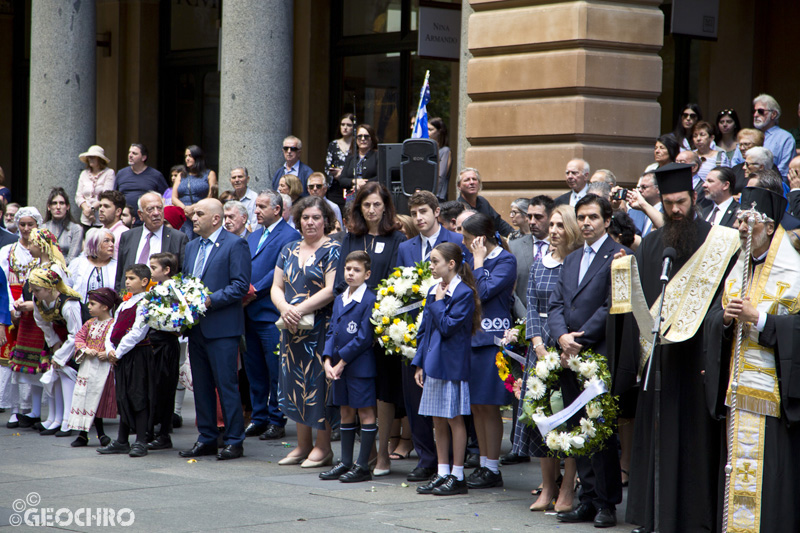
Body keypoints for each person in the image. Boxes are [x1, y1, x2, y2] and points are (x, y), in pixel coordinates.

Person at [610, 162, 736, 533]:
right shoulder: (651, 245)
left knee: (696, 445)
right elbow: (641, 307)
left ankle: (696, 520)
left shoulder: (721, 242)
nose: (675, 210)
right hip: (660, 363)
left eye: (681, 201)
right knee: (658, 440)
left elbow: (722, 305)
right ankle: (654, 517)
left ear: (694, 198)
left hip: (699, 363)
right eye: (668, 204)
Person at [705, 186, 800, 533]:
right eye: (740, 221)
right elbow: (714, 320)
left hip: (773, 398)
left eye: (751, 222)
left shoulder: (795, 270)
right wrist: (727, 318)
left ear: (771, 227)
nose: (743, 228)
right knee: (735, 474)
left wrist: (759, 319)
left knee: (771, 481)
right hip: (736, 393)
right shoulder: (738, 265)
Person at [549, 194, 626, 528]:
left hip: (598, 355)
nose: (586, 223)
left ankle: (607, 503)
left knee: (601, 432)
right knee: (577, 428)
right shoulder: (572, 258)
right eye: (581, 217)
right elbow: (554, 304)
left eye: (593, 217)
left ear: (607, 220)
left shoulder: (619, 256)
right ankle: (588, 499)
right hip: (568, 356)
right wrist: (561, 337)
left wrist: (578, 339)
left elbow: (611, 305)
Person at [514, 204, 582, 511]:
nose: (553, 230)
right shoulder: (541, 262)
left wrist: (560, 347)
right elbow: (530, 304)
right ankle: (547, 487)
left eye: (559, 225)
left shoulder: (577, 264)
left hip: (567, 351)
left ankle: (568, 487)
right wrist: (538, 344)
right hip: (539, 351)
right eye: (550, 225)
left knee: (566, 420)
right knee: (540, 418)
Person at [396, 191, 467, 482]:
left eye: (423, 211)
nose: (418, 218)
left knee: (450, 410)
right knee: (421, 402)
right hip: (419, 332)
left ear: (436, 212)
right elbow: (399, 285)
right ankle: (429, 460)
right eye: (413, 214)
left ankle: (456, 467)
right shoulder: (406, 247)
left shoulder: (456, 241)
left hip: (449, 335)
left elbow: (466, 283)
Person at [335, 183, 405, 474]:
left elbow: (396, 282)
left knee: (383, 391)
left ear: (386, 207)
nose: (372, 210)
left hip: (381, 324)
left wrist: (376, 315)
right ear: (358, 208)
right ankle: (363, 456)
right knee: (357, 393)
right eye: (366, 205)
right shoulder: (350, 237)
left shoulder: (397, 238)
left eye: (377, 205)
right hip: (352, 323)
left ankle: (385, 453)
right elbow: (342, 279)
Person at [178, 199, 251, 461]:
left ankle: (234, 440)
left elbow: (241, 285)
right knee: (202, 387)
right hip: (196, 328)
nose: (193, 217)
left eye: (199, 214)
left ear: (216, 219)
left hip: (222, 329)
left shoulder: (235, 244)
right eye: (193, 213)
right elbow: (186, 282)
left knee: (226, 385)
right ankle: (207, 437)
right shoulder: (192, 246)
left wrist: (211, 299)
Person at [270, 196, 340, 467]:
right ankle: (302, 446)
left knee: (317, 385)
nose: (310, 222)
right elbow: (276, 286)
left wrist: (298, 309)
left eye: (316, 217)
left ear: (325, 221)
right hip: (290, 328)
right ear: (298, 220)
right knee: (294, 384)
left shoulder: (333, 249)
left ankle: (323, 448)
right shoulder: (288, 248)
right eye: (305, 217)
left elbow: (332, 289)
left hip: (320, 327)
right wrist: (284, 307)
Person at [411, 242, 481, 496]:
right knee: (437, 420)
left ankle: (458, 474)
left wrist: (439, 302)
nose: (431, 266)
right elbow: (426, 330)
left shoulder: (463, 292)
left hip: (451, 365)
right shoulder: (433, 290)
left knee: (454, 419)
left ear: (451, 264)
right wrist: (419, 362)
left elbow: (449, 327)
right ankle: (442, 473)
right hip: (433, 364)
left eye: (435, 262)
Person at [460, 213, 516, 490]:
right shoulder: (469, 258)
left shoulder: (505, 260)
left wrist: (479, 261)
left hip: (492, 340)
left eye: (468, 238)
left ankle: (493, 467)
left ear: (481, 238)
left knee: (490, 406)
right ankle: (483, 463)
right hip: (471, 338)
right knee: (476, 406)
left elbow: (483, 292)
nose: (464, 242)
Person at [243, 190, 300, 441]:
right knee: (254, 369)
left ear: (277, 210)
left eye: (262, 206)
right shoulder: (253, 236)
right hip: (248, 312)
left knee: (275, 370)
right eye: (256, 206)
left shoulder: (290, 235)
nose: (256, 211)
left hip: (269, 312)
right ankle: (259, 417)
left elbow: (282, 269)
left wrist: (255, 290)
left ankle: (277, 419)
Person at [319, 251, 379, 483]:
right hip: (338, 367)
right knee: (345, 411)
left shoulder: (369, 299)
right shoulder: (340, 298)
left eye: (356, 270)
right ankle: (345, 463)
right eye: (348, 269)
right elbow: (332, 331)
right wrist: (327, 361)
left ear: (367, 274)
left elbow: (364, 337)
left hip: (359, 366)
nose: (351, 274)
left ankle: (362, 465)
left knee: (365, 412)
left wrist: (341, 362)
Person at [95, 264, 154, 457]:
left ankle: (141, 441)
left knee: (138, 395)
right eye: (126, 278)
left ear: (144, 281)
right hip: (121, 355)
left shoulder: (146, 302)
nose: (127, 282)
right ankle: (121, 440)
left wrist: (118, 352)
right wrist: (110, 349)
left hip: (137, 354)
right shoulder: (123, 304)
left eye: (132, 278)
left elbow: (138, 332)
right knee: (123, 395)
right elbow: (113, 329)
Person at [30, 263, 87, 441]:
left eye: (37, 289)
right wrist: (54, 343)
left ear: (49, 288)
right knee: (52, 374)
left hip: (75, 340)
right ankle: (53, 418)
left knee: (66, 374)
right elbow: (42, 322)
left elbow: (77, 333)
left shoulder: (69, 304)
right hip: (57, 338)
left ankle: (67, 420)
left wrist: (62, 355)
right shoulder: (38, 300)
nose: (34, 293)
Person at [0, 208, 41, 429]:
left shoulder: (41, 250)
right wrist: (10, 310)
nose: (25, 229)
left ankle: (29, 408)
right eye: (22, 224)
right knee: (11, 362)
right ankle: (15, 409)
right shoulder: (8, 250)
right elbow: (3, 282)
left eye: (30, 225)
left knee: (30, 359)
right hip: (12, 306)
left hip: (33, 309)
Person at [67, 287, 120, 448]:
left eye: (92, 304)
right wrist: (84, 349)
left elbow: (117, 341)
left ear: (105, 307)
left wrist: (108, 352)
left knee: (96, 398)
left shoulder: (113, 324)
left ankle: (98, 433)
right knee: (84, 397)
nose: (88, 307)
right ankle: (86, 434)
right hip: (88, 366)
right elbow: (79, 338)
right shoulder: (89, 323)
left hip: (103, 369)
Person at [115, 191, 188, 294]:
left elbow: (182, 274)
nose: (156, 213)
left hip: (161, 302)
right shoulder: (128, 236)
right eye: (150, 209)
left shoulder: (178, 238)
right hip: (129, 298)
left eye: (159, 208)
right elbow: (120, 273)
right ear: (140, 214)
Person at [146, 252, 182, 451]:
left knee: (164, 388)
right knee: (154, 387)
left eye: (154, 268)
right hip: (156, 342)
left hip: (165, 344)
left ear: (167, 270)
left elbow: (176, 318)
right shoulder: (158, 288)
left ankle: (163, 434)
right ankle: (153, 430)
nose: (150, 271)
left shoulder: (172, 289)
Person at [114, 144, 170, 223]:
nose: (130, 155)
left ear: (144, 157)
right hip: (125, 220)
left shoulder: (156, 175)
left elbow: (166, 197)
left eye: (134, 153)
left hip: (148, 221)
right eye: (129, 152)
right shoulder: (121, 173)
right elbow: (115, 197)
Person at [172, 145, 218, 239]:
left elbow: (211, 196)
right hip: (183, 216)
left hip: (201, 213)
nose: (187, 159)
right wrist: (185, 209)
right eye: (186, 156)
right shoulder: (181, 175)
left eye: (190, 156)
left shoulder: (209, 174)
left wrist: (193, 208)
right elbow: (174, 198)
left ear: (198, 157)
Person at [456, 168, 514, 236]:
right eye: (467, 180)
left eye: (474, 179)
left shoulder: (483, 201)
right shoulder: (457, 207)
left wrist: (514, 235)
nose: (471, 182)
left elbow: (499, 223)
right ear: (459, 186)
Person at [752, 93, 797, 177]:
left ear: (774, 114)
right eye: (754, 111)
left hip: (772, 186)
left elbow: (783, 172)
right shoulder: (748, 136)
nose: (755, 115)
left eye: (760, 111)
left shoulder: (785, 138)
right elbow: (736, 164)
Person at [68, 228, 117, 302]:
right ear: (94, 244)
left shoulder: (117, 266)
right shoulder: (78, 263)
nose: (112, 244)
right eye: (106, 241)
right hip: (80, 310)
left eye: (112, 241)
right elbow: (67, 287)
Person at [75, 145, 116, 228]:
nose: (90, 159)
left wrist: (92, 209)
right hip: (85, 219)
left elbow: (106, 195)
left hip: (101, 219)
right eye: (89, 157)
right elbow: (78, 196)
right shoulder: (84, 173)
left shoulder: (109, 173)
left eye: (93, 157)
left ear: (100, 159)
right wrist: (86, 209)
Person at [337, 125, 379, 203]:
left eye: (366, 136)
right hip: (352, 197)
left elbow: (381, 177)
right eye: (359, 136)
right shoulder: (350, 157)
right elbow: (342, 179)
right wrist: (354, 181)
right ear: (355, 139)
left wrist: (364, 183)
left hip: (372, 194)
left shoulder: (377, 155)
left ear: (372, 139)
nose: (363, 139)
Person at [42, 187, 84, 263]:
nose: (58, 207)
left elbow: (72, 259)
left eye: (62, 203)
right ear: (49, 207)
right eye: (54, 203)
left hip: (67, 270)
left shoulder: (76, 229)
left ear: (67, 207)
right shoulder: (42, 228)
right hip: (44, 270)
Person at [625, 172, 663, 237]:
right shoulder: (634, 211)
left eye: (644, 187)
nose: (639, 190)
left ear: (658, 189)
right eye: (639, 187)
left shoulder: (668, 210)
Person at [325, 113, 354, 190]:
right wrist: (335, 173)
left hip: (352, 185)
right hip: (335, 185)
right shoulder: (333, 144)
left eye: (349, 125)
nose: (345, 127)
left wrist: (343, 174)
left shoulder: (357, 145)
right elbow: (328, 166)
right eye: (343, 124)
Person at [96, 190, 128, 258]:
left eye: (106, 206)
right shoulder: (98, 232)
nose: (101, 209)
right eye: (100, 206)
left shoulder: (124, 234)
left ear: (118, 211)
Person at [428, 117, 452, 201]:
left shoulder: (445, 151)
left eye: (430, 129)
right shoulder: (428, 150)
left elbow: (441, 176)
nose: (427, 132)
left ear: (439, 132)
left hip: (438, 196)